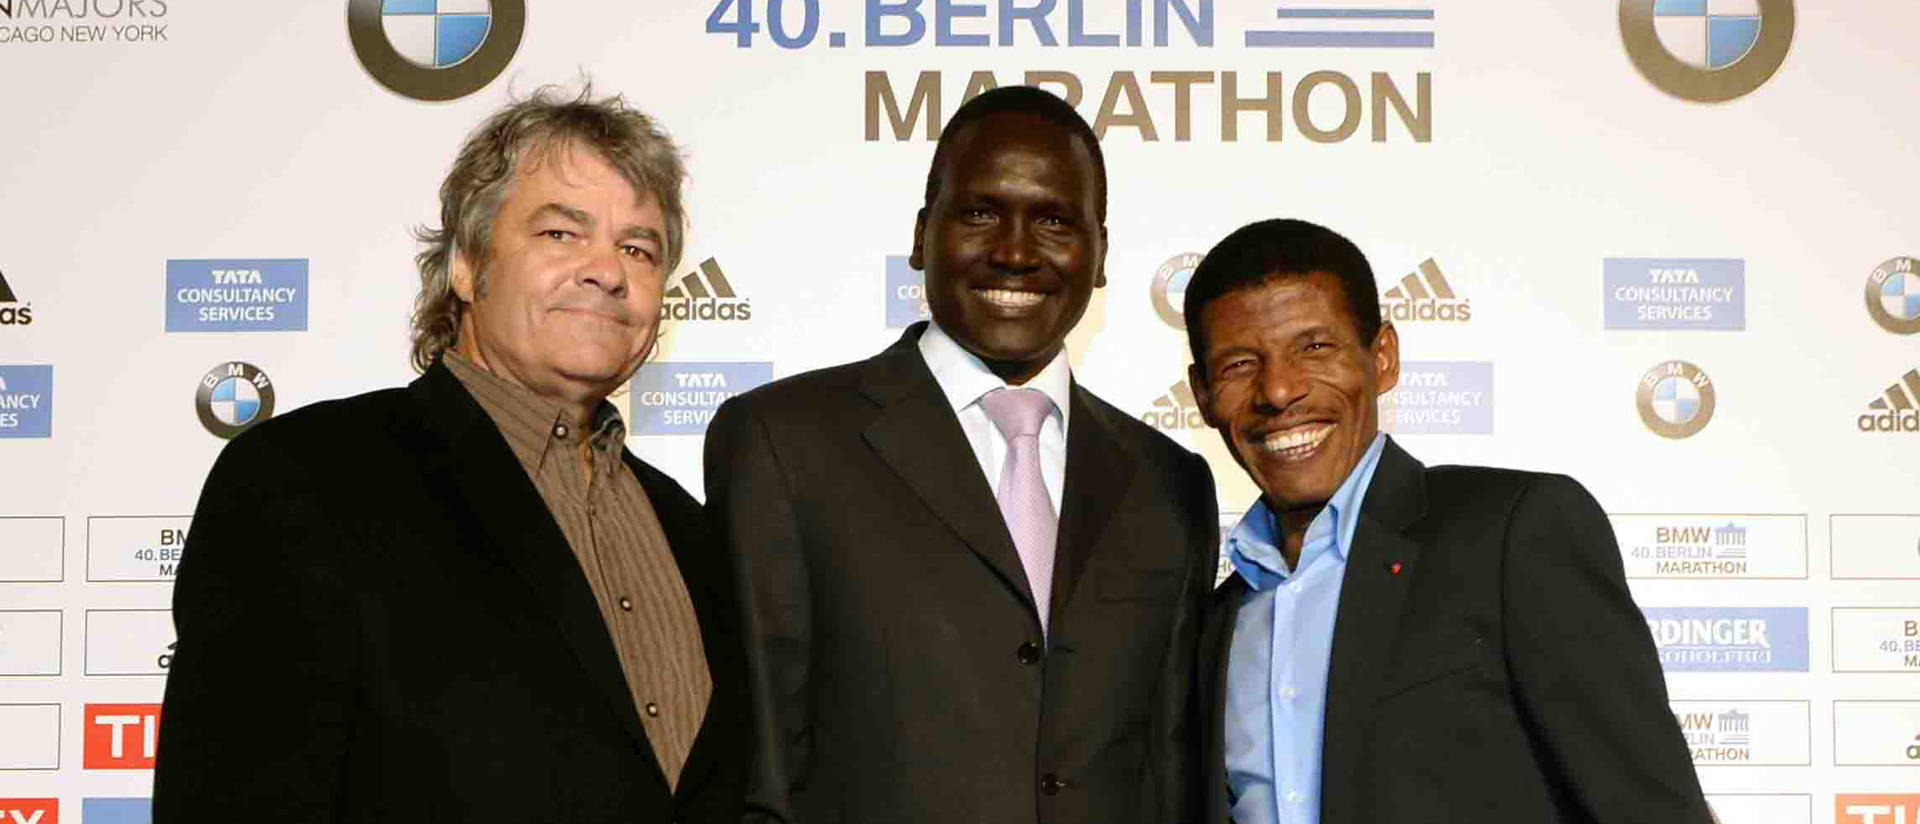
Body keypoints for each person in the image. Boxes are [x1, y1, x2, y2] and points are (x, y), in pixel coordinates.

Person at [153, 86, 745, 823]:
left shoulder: (693, 532)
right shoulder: (309, 479)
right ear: (466, 265)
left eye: (638, 247)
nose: (607, 270)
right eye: (562, 234)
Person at [705, 86, 1219, 824]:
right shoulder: (785, 444)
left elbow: (1169, 781)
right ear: (922, 236)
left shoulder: (1171, 484)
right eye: (979, 213)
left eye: (1052, 220)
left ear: (1099, 253)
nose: (1013, 252)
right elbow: (761, 770)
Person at [1187, 219, 1710, 824]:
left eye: (1315, 347)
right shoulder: (1210, 623)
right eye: (1239, 365)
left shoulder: (1513, 534)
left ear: (1382, 358)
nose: (1277, 390)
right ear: (1202, 394)